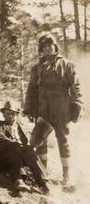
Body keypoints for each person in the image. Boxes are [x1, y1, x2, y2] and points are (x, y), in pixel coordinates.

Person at [24, 33, 82, 192]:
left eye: (51, 46)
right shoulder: (37, 68)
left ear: (55, 47)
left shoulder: (67, 65)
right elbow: (31, 90)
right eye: (44, 47)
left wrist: (77, 104)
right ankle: (42, 173)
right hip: (43, 108)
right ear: (41, 50)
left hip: (61, 109)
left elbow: (75, 86)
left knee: (62, 140)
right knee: (39, 140)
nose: (48, 49)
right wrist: (29, 108)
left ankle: (66, 176)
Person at [0, 100, 49, 193]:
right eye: (8, 114)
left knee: (29, 150)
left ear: (16, 115)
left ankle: (42, 183)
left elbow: (26, 144)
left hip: (15, 160)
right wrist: (15, 144)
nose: (10, 116)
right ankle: (18, 180)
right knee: (14, 147)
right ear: (4, 114)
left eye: (13, 114)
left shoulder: (19, 128)